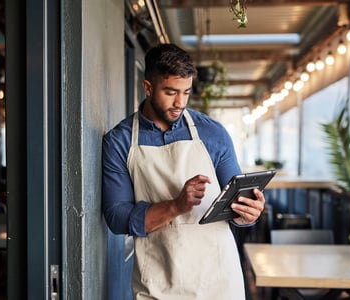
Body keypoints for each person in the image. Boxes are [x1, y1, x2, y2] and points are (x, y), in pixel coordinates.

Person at [102, 43, 265, 299]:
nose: (180, 103)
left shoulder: (213, 133)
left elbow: (236, 200)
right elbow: (116, 216)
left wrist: (248, 214)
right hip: (158, 280)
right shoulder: (120, 141)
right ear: (147, 88)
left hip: (218, 280)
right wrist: (176, 206)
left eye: (186, 92)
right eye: (170, 92)